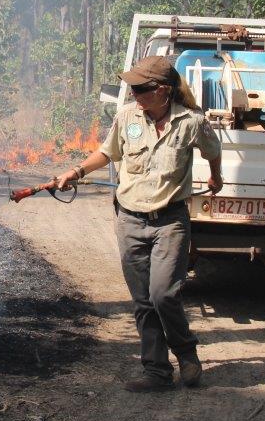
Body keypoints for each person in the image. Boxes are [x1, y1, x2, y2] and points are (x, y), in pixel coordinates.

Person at [54, 56, 223, 392]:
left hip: (169, 221)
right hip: (130, 218)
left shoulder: (191, 122)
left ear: (162, 91)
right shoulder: (127, 117)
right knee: (143, 301)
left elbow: (212, 149)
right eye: (132, 88)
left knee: (163, 295)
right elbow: (107, 152)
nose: (134, 94)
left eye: (141, 88)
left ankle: (186, 354)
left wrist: (216, 177)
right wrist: (76, 172)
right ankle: (157, 372)